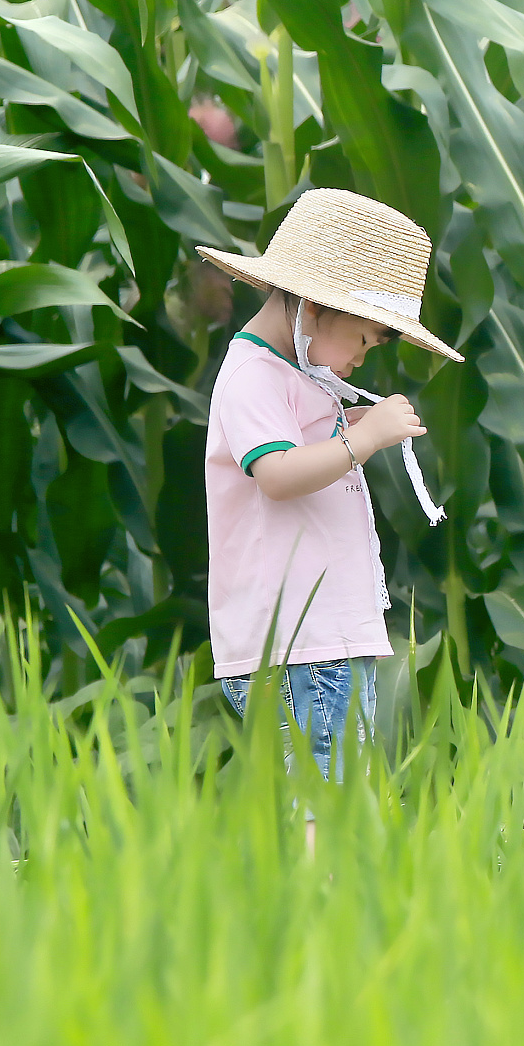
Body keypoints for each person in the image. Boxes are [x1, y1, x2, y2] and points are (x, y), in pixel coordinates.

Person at [198, 188, 461, 779]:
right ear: (313, 308)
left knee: (332, 785)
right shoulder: (253, 376)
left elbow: (305, 445)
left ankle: (319, 871)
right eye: (364, 340)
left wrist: (358, 423)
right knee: (326, 792)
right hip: (300, 642)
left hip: (320, 639)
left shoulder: (293, 376)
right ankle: (324, 875)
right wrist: (360, 441)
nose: (363, 360)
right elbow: (279, 474)